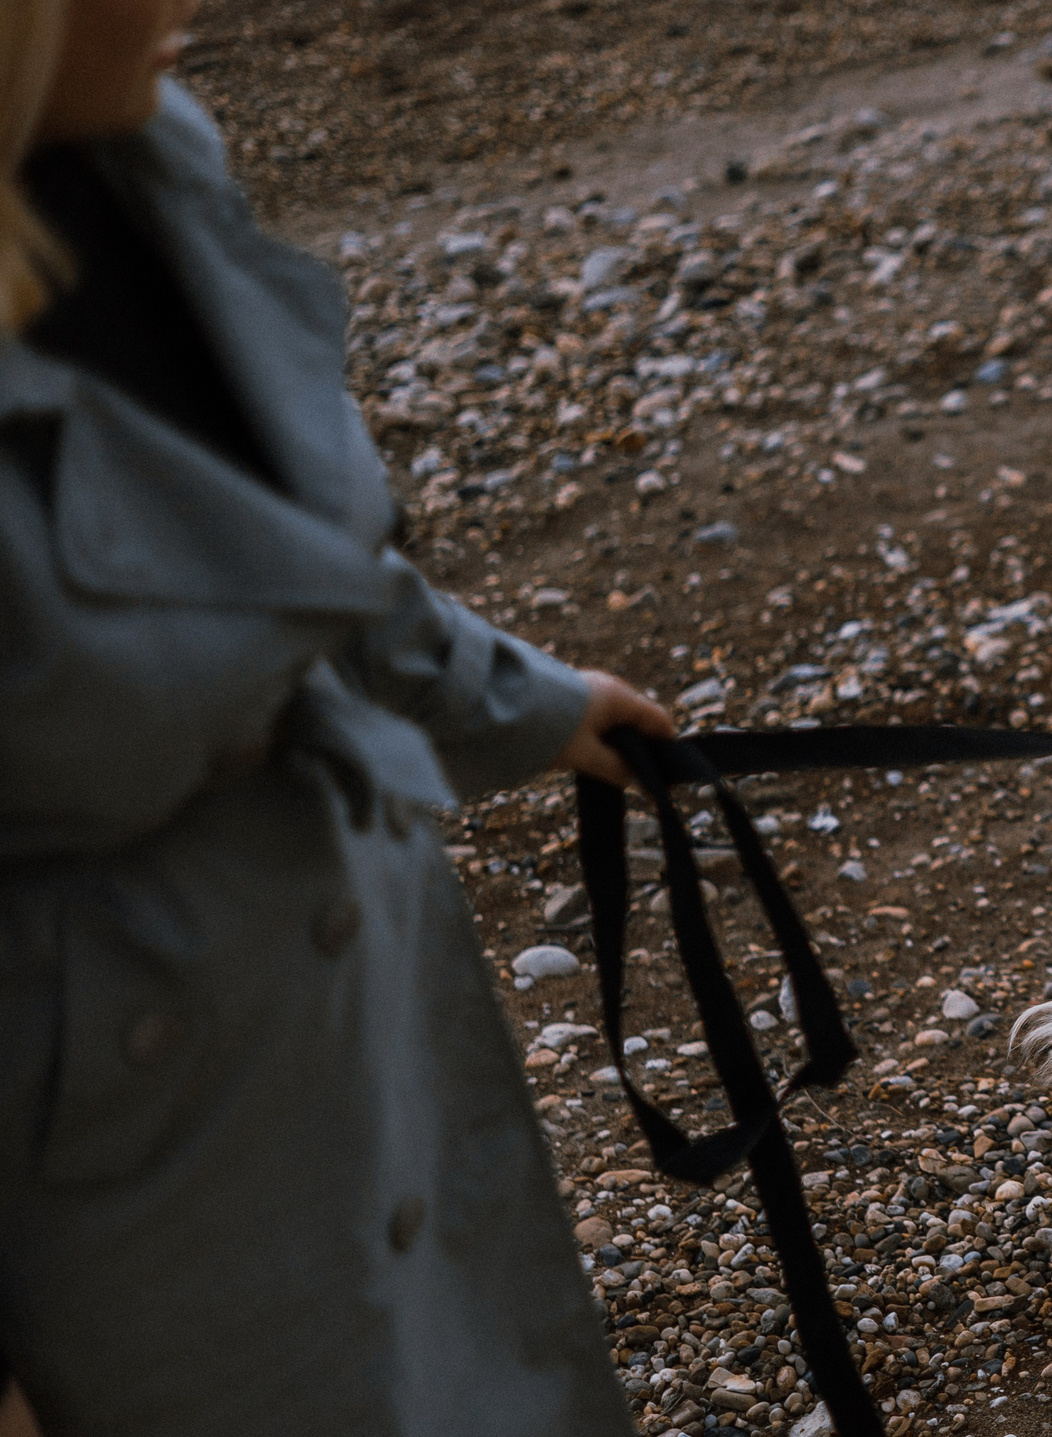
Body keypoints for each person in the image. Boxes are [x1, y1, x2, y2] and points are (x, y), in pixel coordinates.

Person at [0, 2, 673, 1431]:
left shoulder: (142, 157)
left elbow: (301, 560)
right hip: (115, 1152)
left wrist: (523, 701)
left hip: (353, 1013)